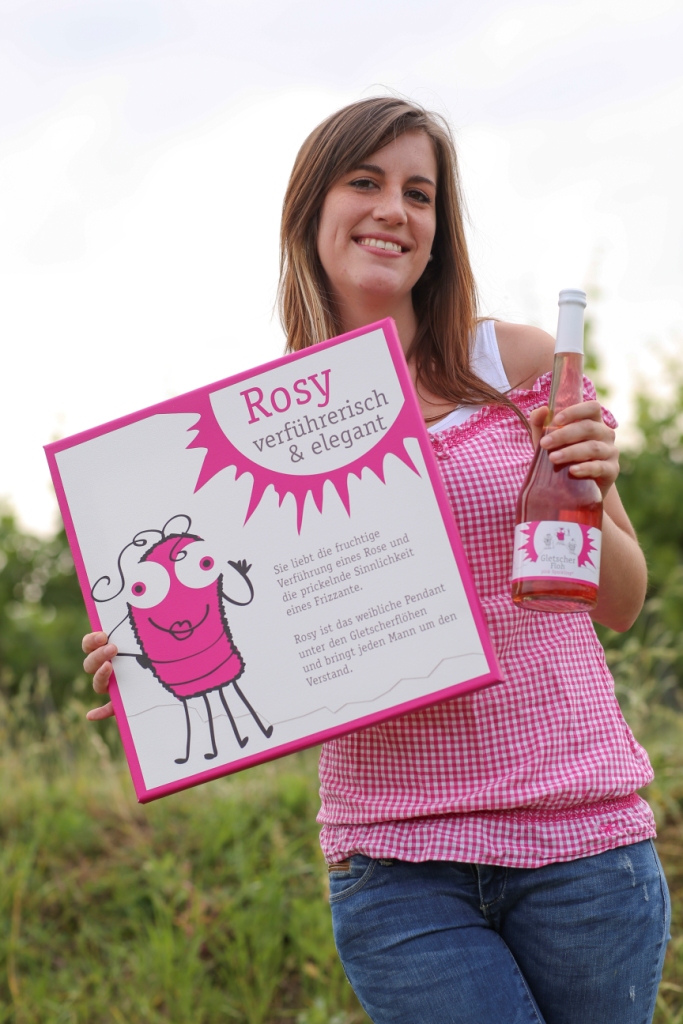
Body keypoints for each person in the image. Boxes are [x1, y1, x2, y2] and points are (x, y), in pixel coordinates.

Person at [82, 98, 670, 1024]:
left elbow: (622, 602)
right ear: (311, 211)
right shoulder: (256, 434)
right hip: (397, 864)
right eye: (365, 182)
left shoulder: (517, 364)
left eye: (419, 193)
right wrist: (149, 670)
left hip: (579, 840)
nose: (394, 209)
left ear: (438, 230)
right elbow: (263, 640)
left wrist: (593, 487)